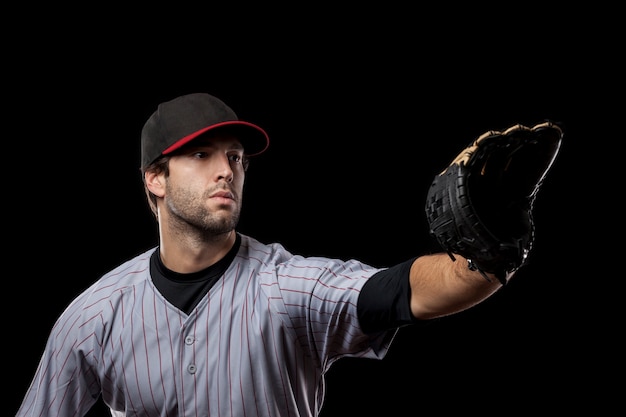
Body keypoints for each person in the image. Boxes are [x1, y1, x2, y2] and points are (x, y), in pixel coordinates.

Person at [17, 92, 525, 417]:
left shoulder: (286, 287)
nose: (226, 170)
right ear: (155, 178)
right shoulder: (94, 316)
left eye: (235, 158)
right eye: (201, 155)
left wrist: (487, 248)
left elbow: (409, 291)